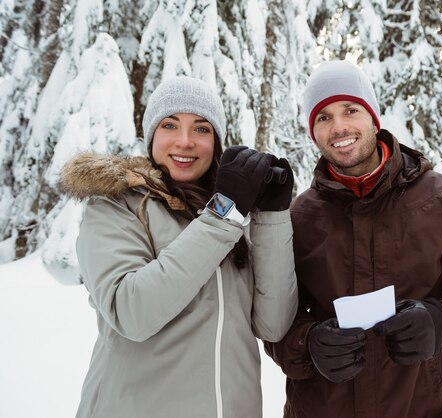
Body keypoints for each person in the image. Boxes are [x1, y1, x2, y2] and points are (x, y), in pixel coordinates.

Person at [264, 60, 442, 418]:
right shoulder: (299, 217)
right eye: (323, 117)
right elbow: (274, 322)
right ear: (313, 132)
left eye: (350, 110)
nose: (339, 127)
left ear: (373, 118)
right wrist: (309, 344)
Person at [60, 76, 298, 418]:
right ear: (152, 135)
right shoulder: (117, 206)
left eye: (201, 129)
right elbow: (132, 312)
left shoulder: (229, 214)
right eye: (170, 125)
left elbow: (272, 324)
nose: (185, 141)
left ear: (215, 142)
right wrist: (223, 213)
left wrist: (272, 215)